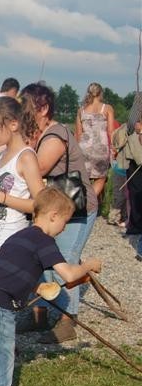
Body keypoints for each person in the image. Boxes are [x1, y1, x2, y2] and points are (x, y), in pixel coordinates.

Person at [0, 187, 102, 386]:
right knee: (0, 357)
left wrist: (38, 287)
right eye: (65, 221)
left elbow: (12, 272)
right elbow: (69, 273)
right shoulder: (44, 240)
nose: (64, 228)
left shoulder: (20, 236)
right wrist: (89, 265)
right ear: (53, 215)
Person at [20, 82, 99, 344]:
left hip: (75, 209)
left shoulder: (56, 135)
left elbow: (38, 168)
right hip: (54, 207)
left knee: (66, 258)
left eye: (26, 107)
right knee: (40, 259)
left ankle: (67, 321)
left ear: (42, 108)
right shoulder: (41, 135)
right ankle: (39, 315)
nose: (22, 113)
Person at [0, 96, 45, 267]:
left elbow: (41, 204)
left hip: (11, 242)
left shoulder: (25, 157)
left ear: (13, 125)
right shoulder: (2, 155)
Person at [76, 82, 116, 200]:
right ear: (101, 93)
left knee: (85, 178)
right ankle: (90, 201)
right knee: (101, 178)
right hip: (101, 148)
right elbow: (111, 131)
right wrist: (114, 148)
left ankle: (84, 202)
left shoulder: (81, 110)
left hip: (84, 148)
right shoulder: (107, 108)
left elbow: (78, 133)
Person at [111, 109, 142, 259]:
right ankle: (135, 225)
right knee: (135, 194)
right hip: (135, 158)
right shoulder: (138, 105)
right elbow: (132, 127)